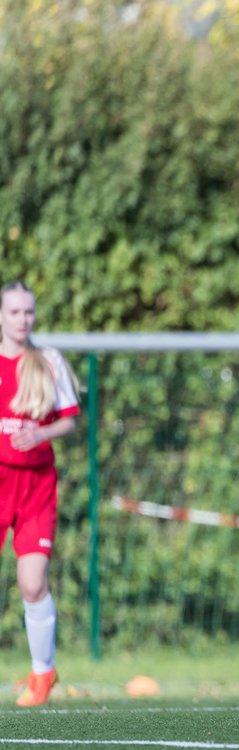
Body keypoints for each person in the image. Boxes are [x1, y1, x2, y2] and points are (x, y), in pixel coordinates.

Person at [0, 280, 80, 707]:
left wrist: (42, 432)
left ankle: (42, 674)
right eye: (13, 312)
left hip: (35, 488)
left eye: (28, 312)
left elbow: (69, 420)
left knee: (32, 584)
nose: (22, 319)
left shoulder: (47, 362)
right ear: (1, 315)